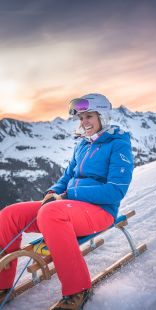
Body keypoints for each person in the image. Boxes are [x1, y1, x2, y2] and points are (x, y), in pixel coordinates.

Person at [0, 94, 134, 309]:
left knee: (51, 213)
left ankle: (78, 289)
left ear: (103, 116)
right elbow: (67, 177)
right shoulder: (82, 144)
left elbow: (115, 191)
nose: (84, 122)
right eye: (81, 117)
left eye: (89, 116)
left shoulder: (118, 145)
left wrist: (69, 193)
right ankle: (3, 286)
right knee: (10, 214)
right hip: (69, 208)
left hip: (101, 211)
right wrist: (53, 191)